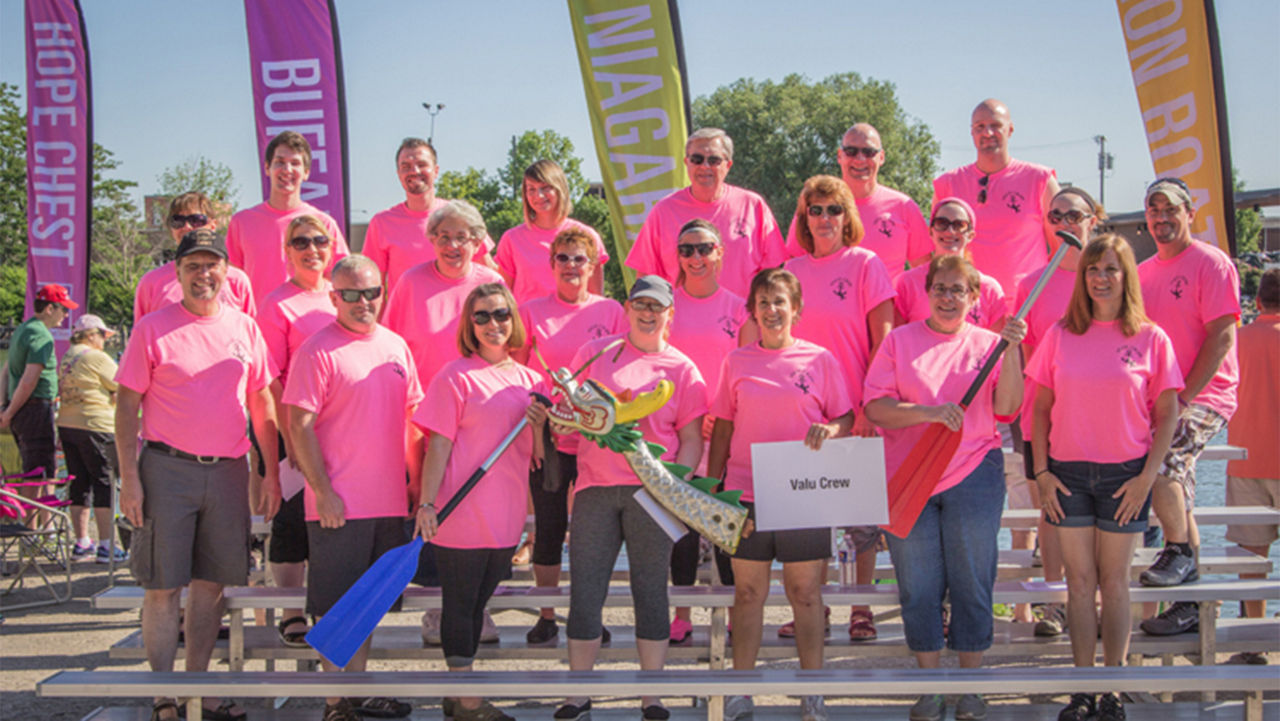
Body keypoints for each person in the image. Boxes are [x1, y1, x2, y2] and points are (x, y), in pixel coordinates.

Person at [115, 229, 278, 721]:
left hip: (228, 471)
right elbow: (126, 406)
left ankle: (199, 688)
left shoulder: (245, 327)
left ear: (226, 271)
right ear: (179, 273)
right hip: (166, 468)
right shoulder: (153, 328)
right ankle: (165, 694)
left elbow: (262, 401)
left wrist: (267, 472)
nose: (203, 275)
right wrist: (130, 475)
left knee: (212, 587)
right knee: (162, 586)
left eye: (212, 265)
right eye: (193, 266)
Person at [864, 254, 1027, 721]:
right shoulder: (899, 341)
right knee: (918, 585)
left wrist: (1011, 350)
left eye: (959, 290)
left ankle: (971, 686)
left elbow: (1008, 409)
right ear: (926, 292)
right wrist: (928, 412)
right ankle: (931, 685)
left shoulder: (989, 344)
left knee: (972, 581)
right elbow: (875, 408)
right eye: (940, 288)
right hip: (909, 474)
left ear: (975, 298)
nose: (948, 297)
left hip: (973, 471)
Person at [1028, 235, 1181, 721]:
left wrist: (1146, 480)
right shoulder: (1060, 333)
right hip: (1068, 475)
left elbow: (1168, 411)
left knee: (1114, 584)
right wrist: (1042, 471)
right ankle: (1082, 688)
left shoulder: (1151, 337)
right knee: (1078, 583)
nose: (1100, 278)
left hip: (1125, 479)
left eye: (1111, 269)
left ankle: (1111, 689)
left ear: (1126, 275)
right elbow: (1040, 408)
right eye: (1093, 269)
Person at [554, 275, 706, 721]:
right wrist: (564, 422)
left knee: (650, 589)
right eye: (640, 303)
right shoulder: (595, 353)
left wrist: (676, 486)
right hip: (595, 490)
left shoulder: (682, 369)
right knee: (585, 589)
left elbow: (692, 438)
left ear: (669, 314)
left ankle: (651, 695)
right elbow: (568, 414)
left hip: (652, 494)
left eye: (656, 306)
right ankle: (578, 694)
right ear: (627, 306)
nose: (647, 312)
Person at [710, 268, 853, 721]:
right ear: (752, 310)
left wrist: (829, 429)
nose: (771, 311)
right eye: (763, 302)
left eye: (780, 302)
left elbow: (846, 418)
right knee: (748, 594)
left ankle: (813, 692)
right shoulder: (735, 362)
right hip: (746, 494)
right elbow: (723, 427)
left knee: (805, 593)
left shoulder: (820, 360)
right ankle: (741, 692)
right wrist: (714, 493)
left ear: (796, 309)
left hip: (802, 493)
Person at [283, 254, 422, 721]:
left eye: (372, 293)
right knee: (336, 610)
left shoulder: (397, 346)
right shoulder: (317, 349)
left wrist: (417, 485)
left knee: (365, 609)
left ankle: (356, 692)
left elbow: (412, 422)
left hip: (388, 502)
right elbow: (297, 424)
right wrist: (322, 491)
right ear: (334, 297)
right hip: (337, 504)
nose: (363, 302)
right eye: (352, 294)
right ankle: (334, 701)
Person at [414, 283, 546, 721]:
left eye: (501, 314)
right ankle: (467, 701)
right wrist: (427, 504)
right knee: (462, 604)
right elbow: (437, 446)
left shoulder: (531, 380)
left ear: (514, 319)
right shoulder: (455, 375)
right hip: (461, 511)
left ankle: (459, 693)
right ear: (469, 326)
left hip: (506, 514)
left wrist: (541, 425)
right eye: (483, 316)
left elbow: (537, 456)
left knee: (478, 604)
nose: (494, 324)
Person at [380, 199, 505, 645]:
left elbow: (510, 345)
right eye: (444, 236)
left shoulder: (492, 283)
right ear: (431, 239)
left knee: (478, 508)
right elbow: (388, 345)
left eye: (463, 236)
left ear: (477, 241)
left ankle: (478, 608)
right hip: (424, 420)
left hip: (482, 415)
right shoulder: (411, 284)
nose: (454, 245)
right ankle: (437, 608)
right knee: (431, 506)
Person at [784, 174, 894, 641]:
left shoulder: (867, 264)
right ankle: (815, 606)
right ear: (804, 218)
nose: (824, 218)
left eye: (833, 209)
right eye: (815, 210)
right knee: (811, 518)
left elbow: (884, 341)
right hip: (804, 412)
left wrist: (872, 405)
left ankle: (861, 608)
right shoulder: (790, 270)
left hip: (857, 408)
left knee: (861, 519)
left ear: (847, 216)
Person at [1136, 178, 1240, 637]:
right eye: (1153, 210)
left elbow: (1222, 336)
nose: (1161, 218)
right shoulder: (1141, 272)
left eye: (1171, 209)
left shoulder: (1211, 263)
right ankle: (1190, 600)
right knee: (1170, 483)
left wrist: (1183, 398)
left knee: (1164, 460)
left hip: (1204, 394)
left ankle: (1177, 552)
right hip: (1160, 399)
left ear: (1190, 213)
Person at [512, 227, 626, 645]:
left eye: (580, 258)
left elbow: (621, 368)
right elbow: (518, 371)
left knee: (592, 532)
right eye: (563, 258)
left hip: (597, 439)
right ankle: (546, 613)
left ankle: (588, 612)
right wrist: (538, 419)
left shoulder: (612, 310)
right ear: (551, 263)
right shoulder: (530, 311)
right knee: (549, 525)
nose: (572, 266)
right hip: (551, 438)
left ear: (593, 264)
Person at [1016, 187, 1102, 636]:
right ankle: (1055, 603)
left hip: (1098, 421)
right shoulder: (1031, 284)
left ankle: (1094, 600)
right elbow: (1027, 357)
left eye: (1074, 214)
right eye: (1055, 215)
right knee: (1051, 512)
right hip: (1043, 418)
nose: (1065, 222)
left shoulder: (1108, 278)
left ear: (1094, 219)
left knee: (1100, 515)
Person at [665, 219, 753, 644]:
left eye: (704, 249)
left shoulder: (738, 307)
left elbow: (748, 366)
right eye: (687, 250)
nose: (695, 258)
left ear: (720, 252)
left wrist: (726, 412)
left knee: (723, 524)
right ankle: (681, 613)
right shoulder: (665, 305)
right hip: (677, 431)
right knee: (680, 526)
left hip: (724, 431)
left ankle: (734, 613)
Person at [255, 215, 340, 649]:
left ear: (331, 247)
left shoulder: (342, 295)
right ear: (287, 252)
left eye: (319, 241)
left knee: (332, 520)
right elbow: (269, 377)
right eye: (301, 242)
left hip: (341, 428)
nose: (312, 249)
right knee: (291, 522)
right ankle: (291, 612)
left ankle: (327, 606)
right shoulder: (276, 303)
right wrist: (290, 433)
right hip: (294, 425)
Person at [625, 127, 785, 298]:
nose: (705, 166)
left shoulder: (753, 206)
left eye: (714, 160)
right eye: (697, 159)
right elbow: (646, 277)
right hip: (681, 320)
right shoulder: (663, 211)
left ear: (728, 165)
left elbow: (773, 274)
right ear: (687, 163)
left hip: (742, 320)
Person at [933, 99, 1061, 295]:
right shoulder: (947, 184)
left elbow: (1061, 250)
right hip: (967, 305)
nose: (987, 133)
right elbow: (936, 250)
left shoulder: (1040, 180)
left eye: (996, 126)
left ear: (1010, 130)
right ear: (972, 132)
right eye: (980, 127)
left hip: (1025, 305)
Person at [785, 122, 931, 279]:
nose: (860, 159)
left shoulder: (904, 206)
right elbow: (792, 270)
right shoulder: (815, 207)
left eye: (869, 152)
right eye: (851, 151)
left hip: (889, 303)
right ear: (839, 156)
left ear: (881, 157)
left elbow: (925, 273)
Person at [1223, 267, 1278, 664]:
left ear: (1257, 301)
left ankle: (1253, 639)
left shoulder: (1235, 342)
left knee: (1251, 557)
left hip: (1245, 458)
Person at [226, 130, 350, 303]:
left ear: (306, 172)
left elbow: (341, 281)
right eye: (280, 162)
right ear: (267, 168)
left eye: (295, 163)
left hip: (310, 325)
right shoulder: (241, 222)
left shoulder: (324, 224)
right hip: (258, 326)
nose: (287, 169)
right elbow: (231, 283)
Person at [363, 138, 497, 296]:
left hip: (460, 317)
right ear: (398, 173)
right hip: (406, 319)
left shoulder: (460, 216)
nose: (414, 171)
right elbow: (371, 286)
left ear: (436, 171)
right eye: (405, 166)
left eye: (422, 164)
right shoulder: (382, 223)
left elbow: (489, 272)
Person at [1, 284, 76, 521]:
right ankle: (31, 531)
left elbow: (5, 371)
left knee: (37, 469)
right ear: (50, 308)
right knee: (38, 473)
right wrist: (9, 411)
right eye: (63, 310)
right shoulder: (40, 334)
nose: (66, 316)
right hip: (34, 408)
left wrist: (5, 407)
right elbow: (29, 378)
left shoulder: (23, 329)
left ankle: (40, 528)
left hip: (23, 408)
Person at [56, 314, 125, 562]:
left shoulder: (69, 354)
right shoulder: (96, 357)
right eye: (103, 336)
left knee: (78, 481)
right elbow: (122, 383)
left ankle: (82, 541)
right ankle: (107, 545)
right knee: (104, 481)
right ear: (91, 335)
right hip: (96, 425)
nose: (105, 341)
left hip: (67, 423)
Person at [496, 159, 610, 304]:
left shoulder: (587, 236)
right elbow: (503, 298)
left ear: (559, 188)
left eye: (545, 187)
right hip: (527, 325)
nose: (539, 195)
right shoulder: (512, 239)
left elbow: (596, 299)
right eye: (531, 189)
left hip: (575, 324)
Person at [134, 192, 256, 322]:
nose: (187, 227)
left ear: (212, 226)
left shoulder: (237, 281)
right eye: (178, 221)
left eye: (196, 220)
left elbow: (250, 335)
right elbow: (142, 336)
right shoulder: (151, 283)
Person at [893, 197, 1007, 330]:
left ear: (970, 235)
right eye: (942, 223)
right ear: (930, 231)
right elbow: (896, 338)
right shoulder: (908, 282)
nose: (950, 231)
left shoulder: (989, 289)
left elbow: (998, 344)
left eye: (959, 225)